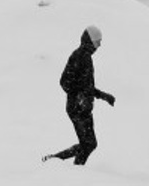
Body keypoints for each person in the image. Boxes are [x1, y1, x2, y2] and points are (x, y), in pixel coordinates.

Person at [42, 25, 115, 166]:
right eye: (98, 41)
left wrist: (104, 96)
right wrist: (79, 97)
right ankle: (71, 169)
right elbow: (64, 82)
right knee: (87, 144)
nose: (100, 45)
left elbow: (86, 87)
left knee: (90, 144)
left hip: (84, 108)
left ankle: (56, 160)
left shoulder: (86, 57)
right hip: (76, 108)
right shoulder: (79, 56)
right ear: (90, 40)